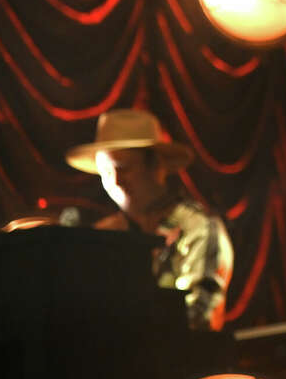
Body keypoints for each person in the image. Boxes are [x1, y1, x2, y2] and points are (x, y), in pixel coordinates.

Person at [66, 107, 234, 331]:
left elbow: (198, 321)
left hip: (183, 362)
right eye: (105, 172)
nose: (115, 181)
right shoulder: (102, 236)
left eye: (124, 168)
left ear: (157, 166)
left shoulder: (199, 227)